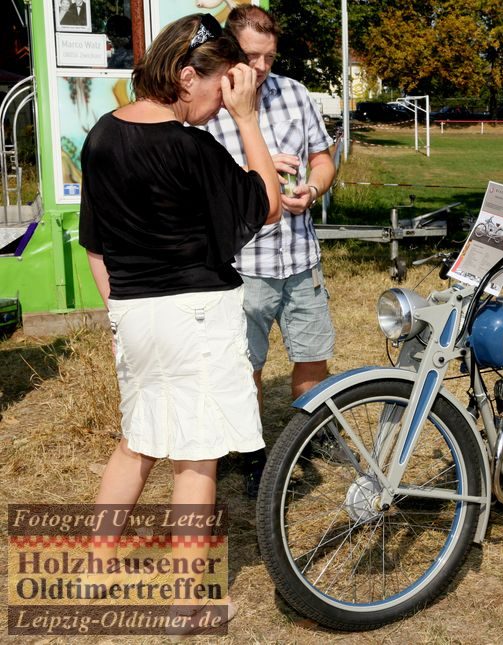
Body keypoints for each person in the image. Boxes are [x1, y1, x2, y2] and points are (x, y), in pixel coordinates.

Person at [78, 13, 280, 631]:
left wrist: (120, 310)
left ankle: (91, 573)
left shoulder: (103, 135)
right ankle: (187, 600)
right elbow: (266, 205)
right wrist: (249, 123)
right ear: (186, 76)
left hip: (134, 311)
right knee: (196, 456)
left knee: (137, 441)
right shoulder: (190, 147)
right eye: (222, 86)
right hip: (196, 311)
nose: (225, 101)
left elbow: (93, 244)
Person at [204, 5, 337, 498]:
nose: (260, 67)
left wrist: (313, 189)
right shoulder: (209, 103)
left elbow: (322, 157)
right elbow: (200, 185)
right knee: (246, 366)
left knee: (313, 355)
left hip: (299, 255)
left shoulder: (294, 94)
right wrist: (253, 172)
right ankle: (252, 452)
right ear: (230, 50)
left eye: (269, 57)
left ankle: (316, 436)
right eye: (251, 56)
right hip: (244, 264)